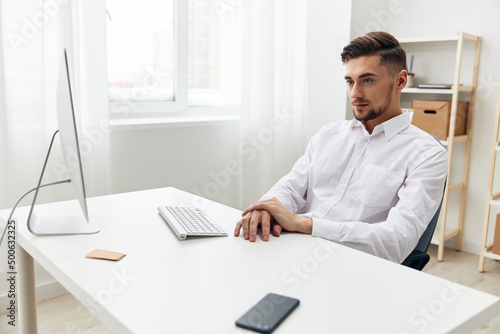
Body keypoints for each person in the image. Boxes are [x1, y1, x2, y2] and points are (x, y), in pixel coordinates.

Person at [234, 31, 448, 263]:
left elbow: (396, 241)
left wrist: (305, 224)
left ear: (400, 81)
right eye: (350, 81)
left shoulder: (427, 154)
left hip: (354, 264)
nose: (355, 93)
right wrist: (265, 208)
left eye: (367, 80)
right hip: (295, 249)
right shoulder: (328, 134)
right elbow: (291, 187)